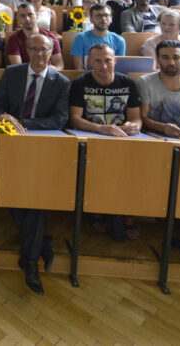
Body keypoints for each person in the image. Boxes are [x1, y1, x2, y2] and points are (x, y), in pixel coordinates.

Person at [0, 33, 70, 294]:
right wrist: (4, 117)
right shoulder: (13, 73)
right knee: (10, 193)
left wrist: (23, 124)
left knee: (34, 200)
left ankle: (30, 261)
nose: (38, 54)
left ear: (51, 52)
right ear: (26, 50)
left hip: (42, 148)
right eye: (34, 49)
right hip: (10, 145)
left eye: (44, 50)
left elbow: (59, 119)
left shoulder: (60, 82)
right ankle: (42, 245)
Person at [67, 43, 142, 244]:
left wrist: (133, 126)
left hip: (123, 140)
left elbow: (137, 118)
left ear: (115, 60)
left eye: (108, 60)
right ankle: (97, 212)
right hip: (93, 138)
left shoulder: (128, 83)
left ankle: (128, 213)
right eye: (98, 61)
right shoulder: (80, 82)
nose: (103, 65)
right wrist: (101, 129)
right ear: (89, 62)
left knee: (137, 168)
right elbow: (74, 119)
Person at [7, 2, 63, 69]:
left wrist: (50, 71)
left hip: (47, 74)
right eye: (22, 16)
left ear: (37, 15)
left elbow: (59, 65)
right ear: (18, 19)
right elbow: (18, 67)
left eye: (30, 14)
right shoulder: (14, 39)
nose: (27, 19)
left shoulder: (50, 37)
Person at [70, 4, 127, 71]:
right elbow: (78, 69)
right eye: (98, 16)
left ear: (111, 18)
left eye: (106, 15)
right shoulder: (80, 38)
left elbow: (119, 69)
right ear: (91, 19)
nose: (103, 19)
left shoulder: (119, 40)